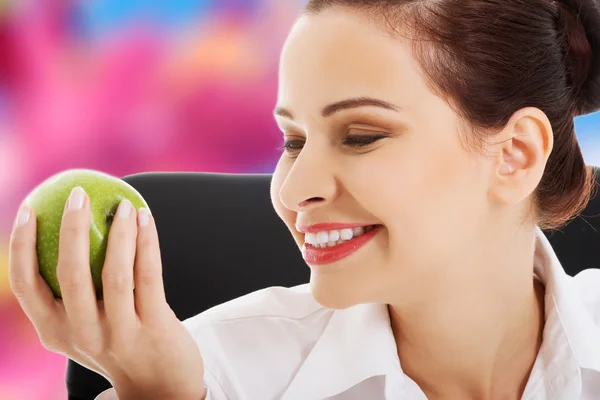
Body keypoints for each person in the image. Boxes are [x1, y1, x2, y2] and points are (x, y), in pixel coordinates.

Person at [8, 0, 600, 399]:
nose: (292, 191)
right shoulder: (211, 373)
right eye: (293, 140)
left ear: (516, 154)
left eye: (361, 136)